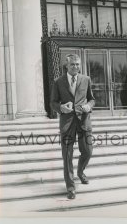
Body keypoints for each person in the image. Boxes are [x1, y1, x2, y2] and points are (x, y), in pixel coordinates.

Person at [50, 54, 95, 200]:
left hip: (83, 122)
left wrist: (88, 106)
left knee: (88, 152)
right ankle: (70, 187)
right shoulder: (58, 82)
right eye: (72, 65)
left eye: (77, 64)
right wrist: (61, 107)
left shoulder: (86, 79)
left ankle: (80, 172)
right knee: (67, 156)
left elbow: (92, 99)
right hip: (67, 123)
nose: (75, 67)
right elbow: (53, 103)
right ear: (66, 66)